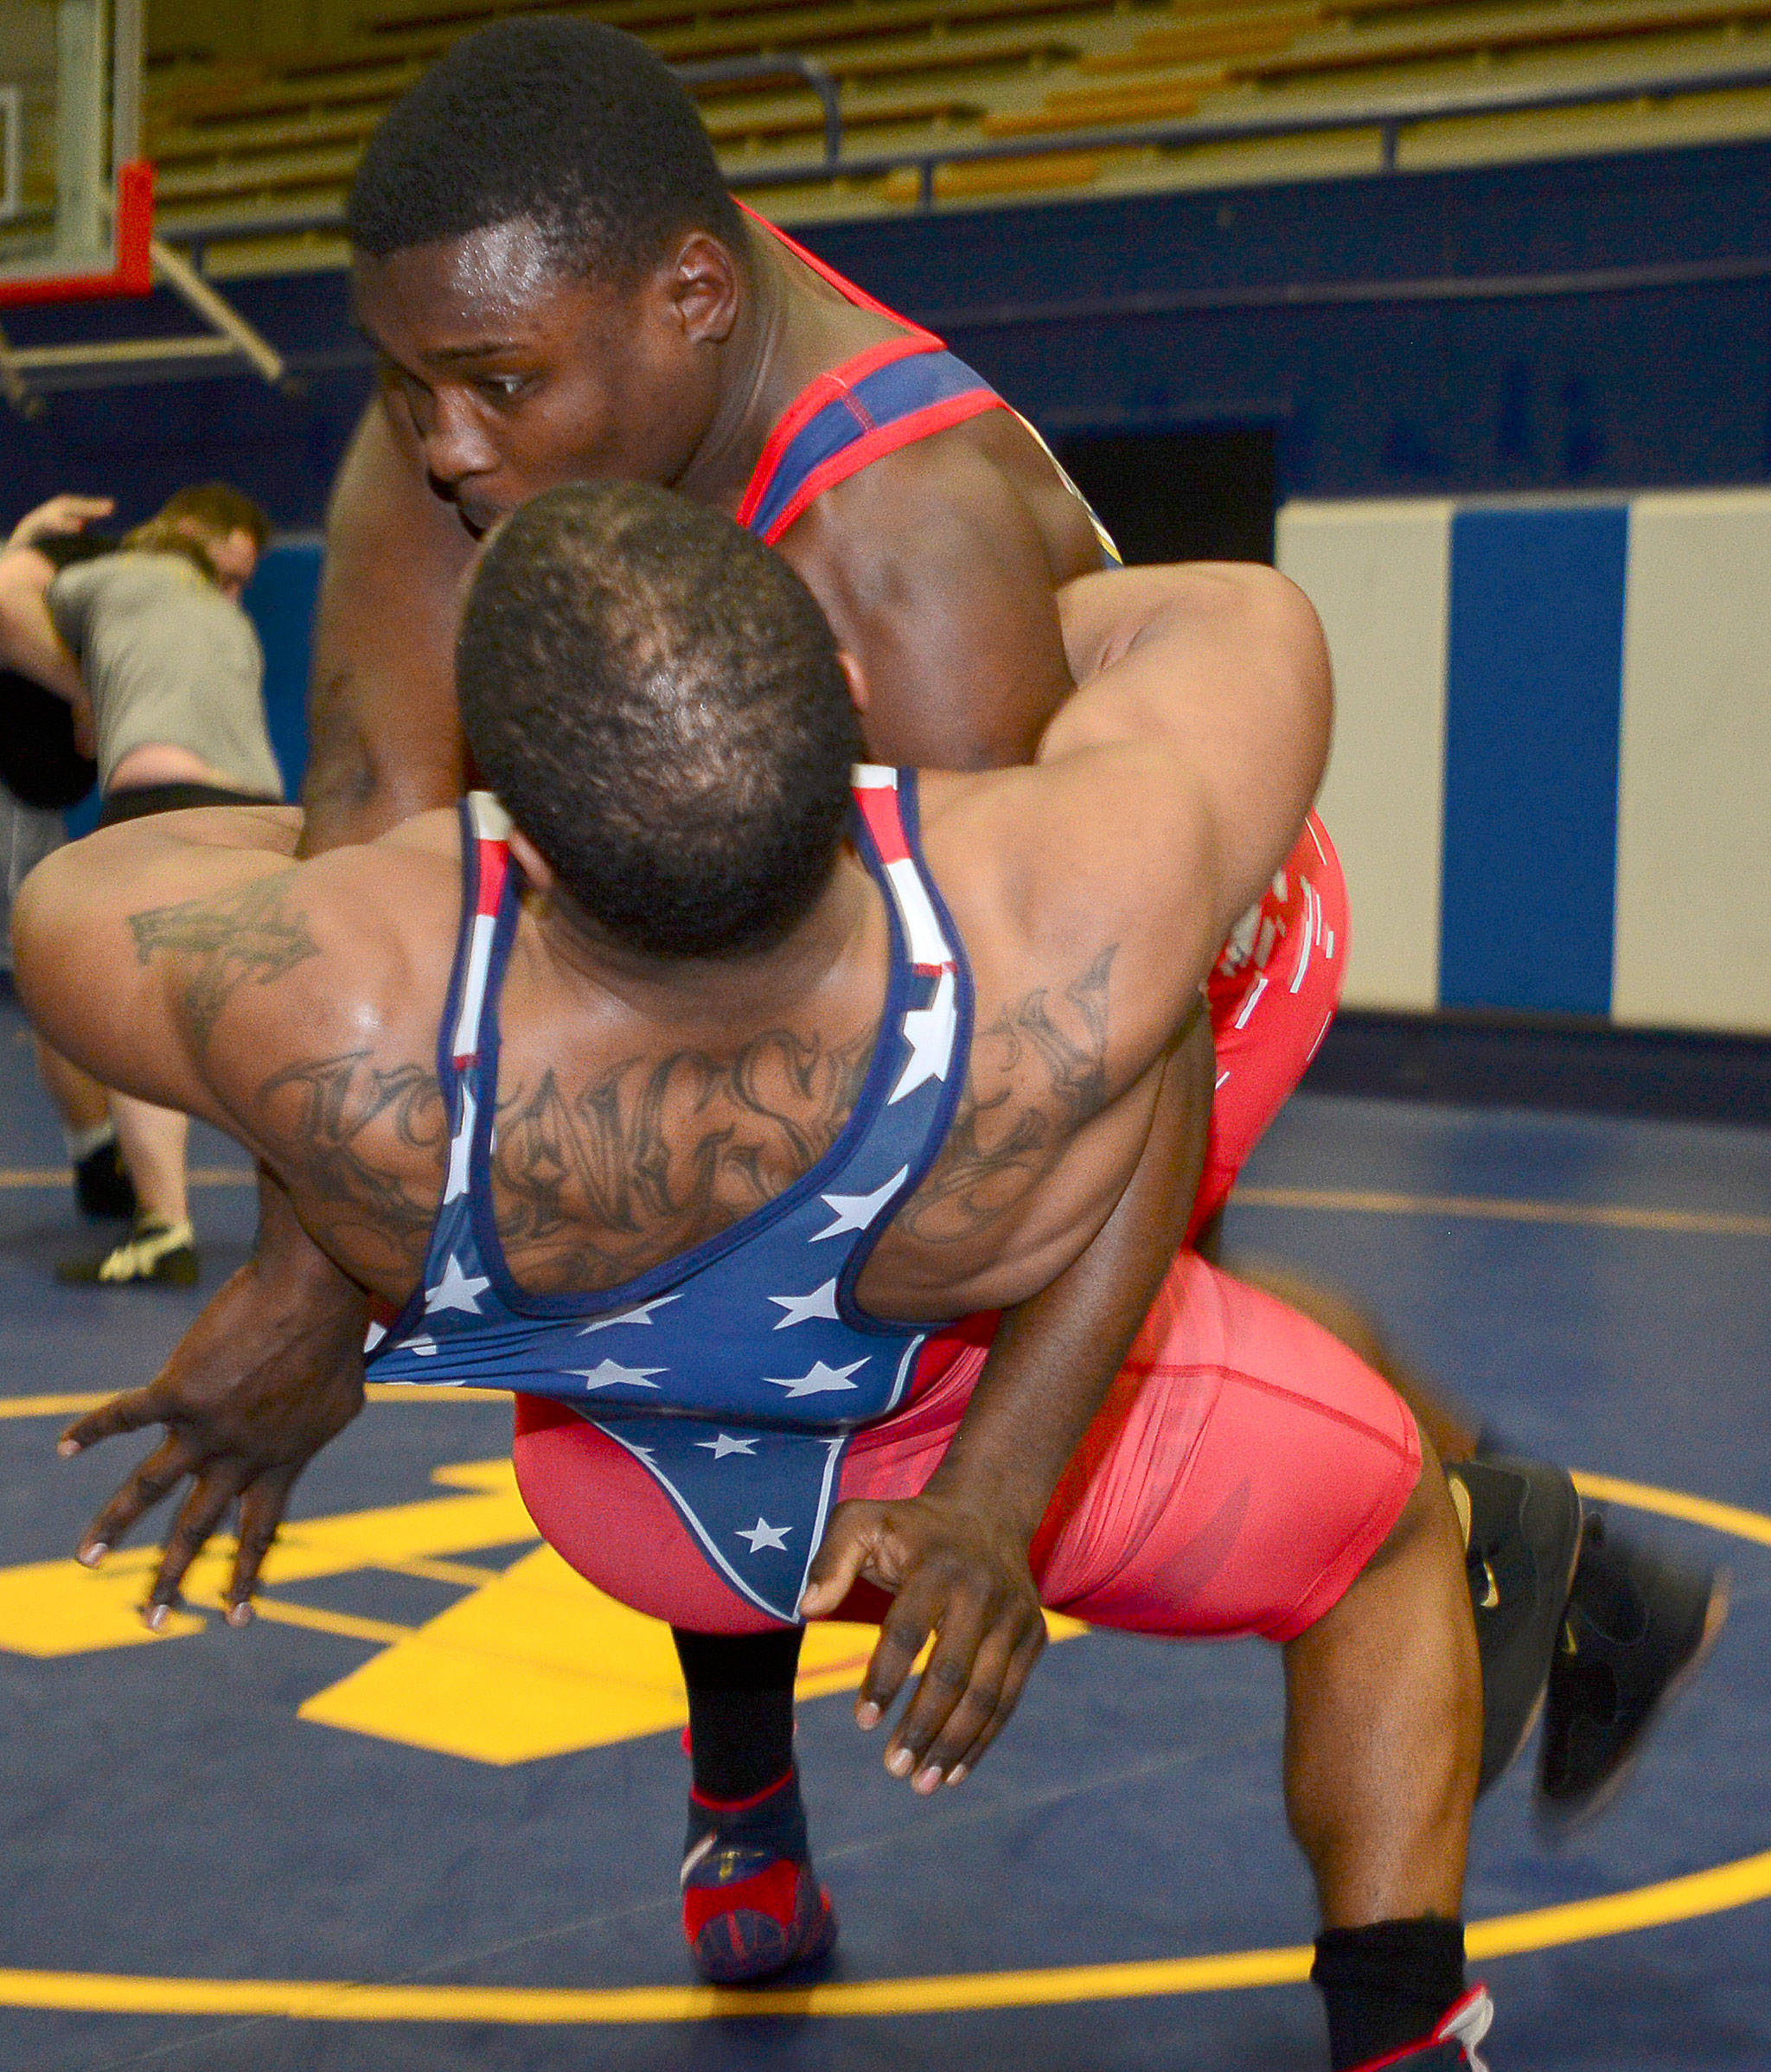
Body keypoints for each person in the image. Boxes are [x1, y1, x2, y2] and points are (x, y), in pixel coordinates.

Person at [14, 485, 1731, 2072]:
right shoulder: (1039, 917)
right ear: (847, 692)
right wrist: (931, 691)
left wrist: (471, 845)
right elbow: (1218, 623)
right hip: (978, 1473)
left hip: (639, 1515)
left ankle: (742, 1840)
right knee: (1379, 1514)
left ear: (511, 840)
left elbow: (96, 882)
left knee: (718, 1361)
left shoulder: (352, 1027)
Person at [54, 19, 1703, 1832]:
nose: (438, 445)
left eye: (485, 388)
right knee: (677, 1201)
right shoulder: (490, 367)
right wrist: (305, 1282)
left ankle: (1476, 1546)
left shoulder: (903, 553)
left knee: (829, 1263)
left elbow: (1097, 1043)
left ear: (691, 298)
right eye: (403, 384)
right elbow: (373, 841)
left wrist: (995, 1499)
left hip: (1172, 943)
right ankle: (758, 1785)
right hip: (879, 911)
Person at [0, 481, 278, 1285]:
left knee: (133, 1019)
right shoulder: (226, 621)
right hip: (263, 812)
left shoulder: (119, 579)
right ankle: (325, 1225)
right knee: (256, 1018)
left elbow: (12, 596)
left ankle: (162, 1225)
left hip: (162, 803)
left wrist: (29, 536)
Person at [0, 493, 136, 1223]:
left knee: (48, 969)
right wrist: (86, 697)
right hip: (13, 802)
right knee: (46, 968)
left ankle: (97, 1156)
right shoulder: (31, 586)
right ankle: (98, 1158)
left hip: (26, 797)